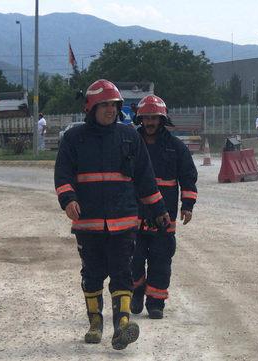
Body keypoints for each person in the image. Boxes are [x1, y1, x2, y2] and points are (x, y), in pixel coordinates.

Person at [54, 79, 170, 350]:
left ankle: (123, 325)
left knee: (122, 274)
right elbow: (63, 175)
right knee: (92, 275)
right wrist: (68, 199)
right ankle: (95, 323)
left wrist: (159, 210)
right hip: (88, 223)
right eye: (104, 104)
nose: (110, 110)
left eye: (114, 105)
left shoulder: (130, 136)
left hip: (124, 221)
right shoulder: (74, 138)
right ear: (91, 107)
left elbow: (145, 179)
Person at [131, 95, 198, 320]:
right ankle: (137, 290)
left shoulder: (176, 148)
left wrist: (187, 205)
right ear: (140, 119)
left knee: (161, 261)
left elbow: (188, 177)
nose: (150, 122)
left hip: (164, 217)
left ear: (162, 119)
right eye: (146, 118)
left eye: (154, 118)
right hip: (134, 216)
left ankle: (155, 303)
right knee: (132, 259)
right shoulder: (130, 144)